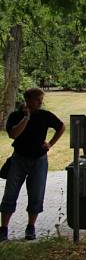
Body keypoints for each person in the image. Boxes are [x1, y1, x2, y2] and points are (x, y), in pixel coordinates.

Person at [1, 88, 65, 242]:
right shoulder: (16, 115)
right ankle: (3, 228)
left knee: (36, 194)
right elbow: (13, 134)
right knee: (10, 193)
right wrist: (26, 118)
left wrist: (50, 143)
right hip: (19, 159)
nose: (40, 102)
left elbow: (61, 126)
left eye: (41, 99)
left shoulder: (44, 115)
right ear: (29, 100)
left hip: (39, 160)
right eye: (38, 99)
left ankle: (31, 227)